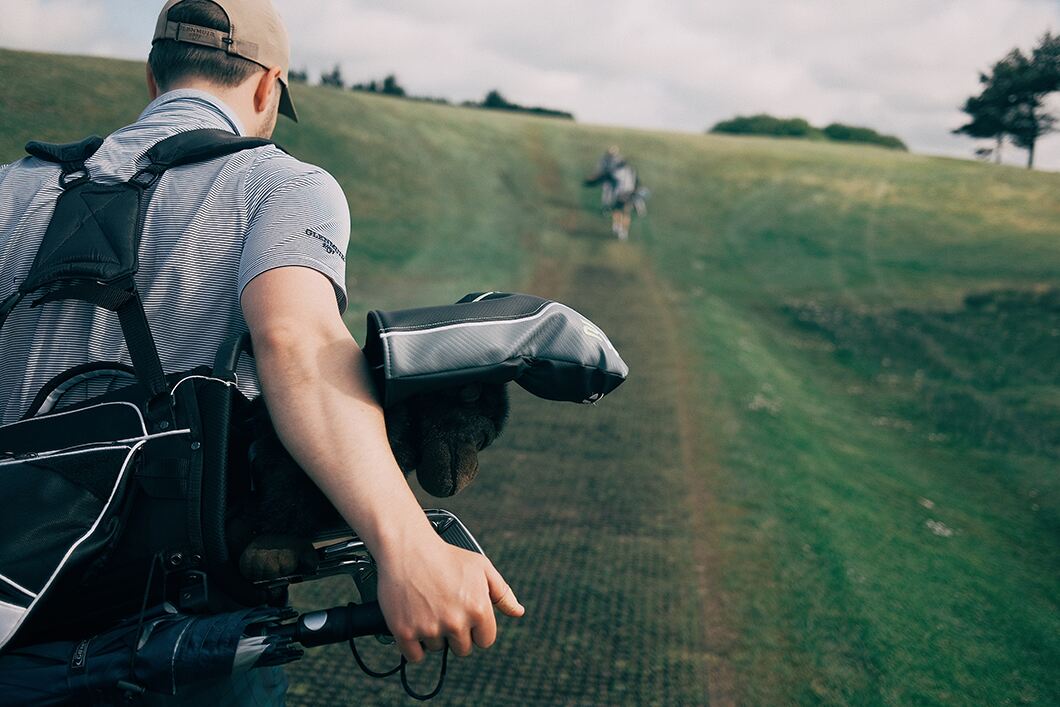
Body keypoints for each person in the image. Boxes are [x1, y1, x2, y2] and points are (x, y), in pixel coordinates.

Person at [0, 0, 523, 703]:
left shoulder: (12, 187)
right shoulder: (282, 184)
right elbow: (296, 343)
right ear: (266, 86)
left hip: (17, 611)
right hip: (182, 639)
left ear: (154, 80)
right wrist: (407, 545)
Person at [583, 146, 646, 240]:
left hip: (625, 193)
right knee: (621, 211)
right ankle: (619, 228)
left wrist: (592, 181)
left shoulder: (622, 170)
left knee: (623, 211)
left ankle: (621, 229)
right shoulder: (624, 170)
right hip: (622, 193)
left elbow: (604, 178)